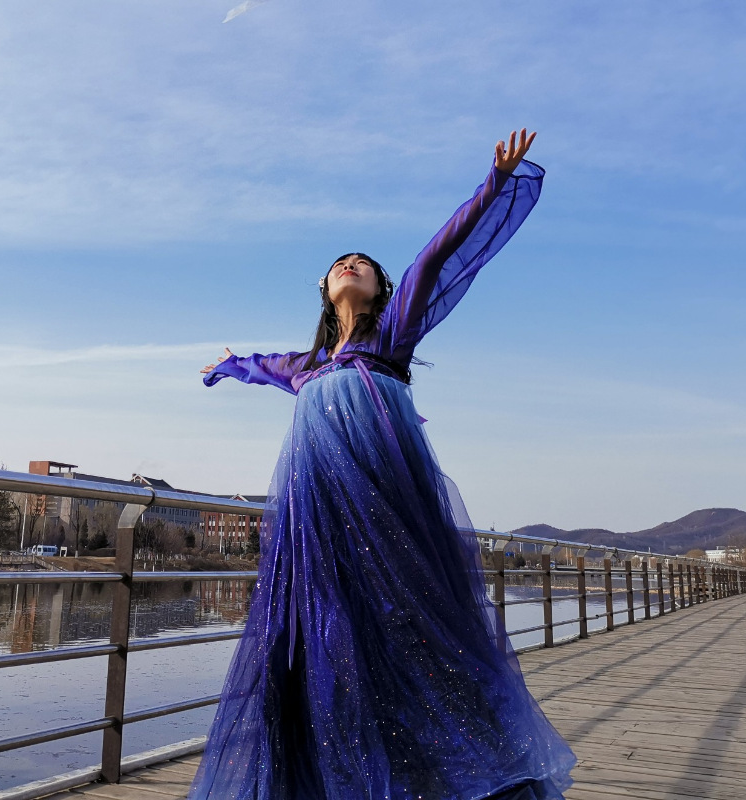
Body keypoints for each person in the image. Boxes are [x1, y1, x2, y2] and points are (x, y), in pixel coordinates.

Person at [190, 130, 575, 800]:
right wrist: (227, 366)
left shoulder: (390, 334)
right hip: (316, 512)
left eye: (363, 264)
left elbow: (438, 253)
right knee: (321, 627)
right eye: (341, 263)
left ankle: (443, 768)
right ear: (324, 289)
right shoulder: (307, 366)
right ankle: (322, 769)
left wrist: (492, 184)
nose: (350, 265)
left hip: (381, 497)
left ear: (380, 289)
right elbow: (260, 366)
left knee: (405, 616)